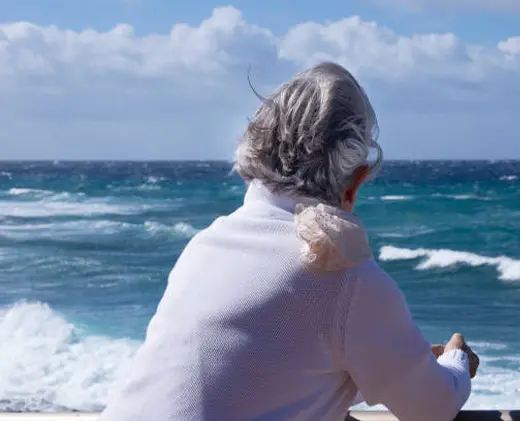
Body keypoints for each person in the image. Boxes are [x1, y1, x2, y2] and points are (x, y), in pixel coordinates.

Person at [99, 62, 479, 421]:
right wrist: (454, 361)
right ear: (356, 179)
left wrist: (386, 363)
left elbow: (268, 372)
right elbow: (432, 407)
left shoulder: (207, 244)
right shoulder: (342, 272)